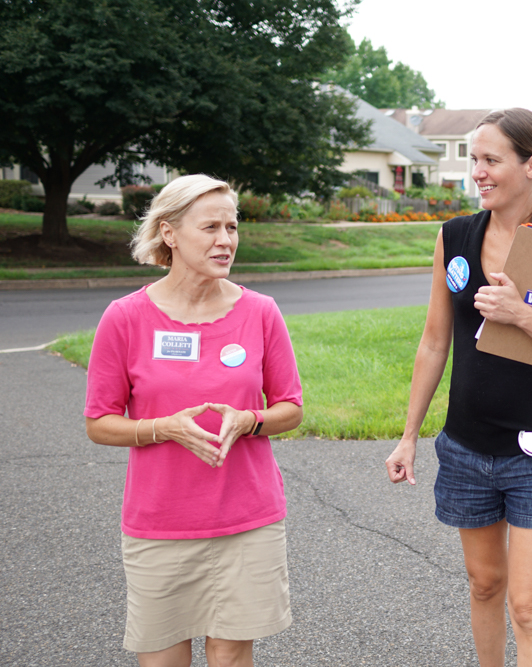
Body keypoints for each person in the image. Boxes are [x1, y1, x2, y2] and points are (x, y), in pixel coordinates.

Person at [385, 108, 532, 666]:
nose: (477, 172)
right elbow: (435, 342)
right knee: (484, 585)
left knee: (529, 607)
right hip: (464, 447)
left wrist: (523, 315)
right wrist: (409, 434)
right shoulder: (455, 236)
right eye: (475, 160)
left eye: (490, 160)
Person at [84, 174, 304, 667]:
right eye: (210, 228)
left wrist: (249, 420)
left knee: (230, 656)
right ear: (170, 233)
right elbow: (99, 422)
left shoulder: (261, 312)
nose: (225, 240)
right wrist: (163, 428)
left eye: (232, 226)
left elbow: (290, 407)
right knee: (162, 658)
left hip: (246, 521)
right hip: (160, 524)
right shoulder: (125, 317)